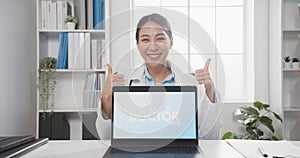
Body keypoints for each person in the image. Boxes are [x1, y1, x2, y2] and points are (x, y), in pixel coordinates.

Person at [96, 13, 223, 140]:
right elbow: (106, 137)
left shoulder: (193, 83)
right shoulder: (122, 83)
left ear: (171, 42)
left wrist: (210, 92)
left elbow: (212, 138)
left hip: (180, 152)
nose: (153, 46)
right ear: (138, 44)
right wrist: (106, 98)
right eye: (145, 39)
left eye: (160, 38)